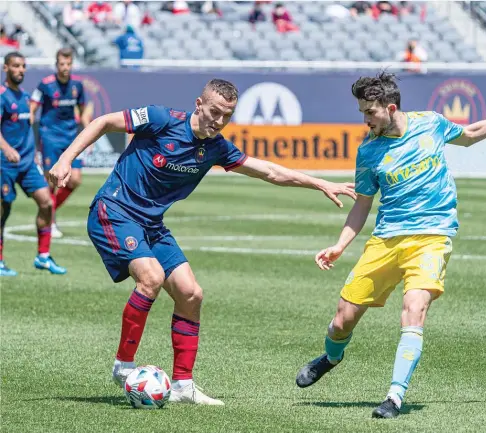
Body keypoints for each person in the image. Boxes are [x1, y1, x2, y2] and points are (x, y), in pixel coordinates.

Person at [48, 79, 356, 405]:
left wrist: (319, 182)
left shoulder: (216, 147)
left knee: (191, 294)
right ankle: (123, 364)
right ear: (198, 104)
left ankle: (182, 385)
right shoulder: (161, 119)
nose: (219, 121)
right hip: (114, 210)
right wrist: (66, 159)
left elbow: (269, 172)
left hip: (151, 224)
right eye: (214, 113)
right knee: (150, 278)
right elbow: (103, 121)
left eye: (227, 116)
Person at [295, 72, 486, 419]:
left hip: (432, 236)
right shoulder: (368, 151)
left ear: (390, 107)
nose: (365, 119)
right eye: (363, 112)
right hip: (385, 241)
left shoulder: (430, 124)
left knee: (414, 308)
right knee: (341, 322)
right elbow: (363, 203)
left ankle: (394, 398)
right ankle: (332, 357)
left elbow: (470, 134)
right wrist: (340, 245)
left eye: (370, 112)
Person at [0, 52, 67, 276]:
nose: (20, 70)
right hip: (5, 163)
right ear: (6, 68)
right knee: (3, 210)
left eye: (23, 66)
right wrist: (6, 148)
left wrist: (35, 153)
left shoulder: (25, 96)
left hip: (27, 162)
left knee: (47, 203)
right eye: (16, 66)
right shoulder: (1, 95)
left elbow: (27, 128)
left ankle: (43, 257)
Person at [30, 48, 91, 238]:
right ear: (56, 65)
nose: (65, 67)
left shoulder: (77, 86)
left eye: (68, 64)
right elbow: (32, 110)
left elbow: (82, 114)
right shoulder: (45, 85)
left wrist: (89, 137)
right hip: (50, 137)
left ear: (72, 64)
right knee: (52, 181)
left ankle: (50, 211)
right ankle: (50, 218)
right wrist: (29, 137)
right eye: (62, 64)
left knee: (75, 179)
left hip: (70, 138)